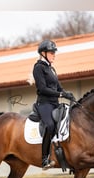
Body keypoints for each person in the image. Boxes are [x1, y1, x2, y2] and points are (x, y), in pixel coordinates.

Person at [33, 40, 75, 169]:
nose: (54, 55)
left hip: (55, 103)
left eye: (54, 52)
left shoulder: (51, 69)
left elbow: (58, 87)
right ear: (43, 53)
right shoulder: (38, 68)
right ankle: (44, 159)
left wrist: (66, 93)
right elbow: (42, 89)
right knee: (50, 126)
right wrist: (61, 95)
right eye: (52, 53)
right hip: (44, 104)